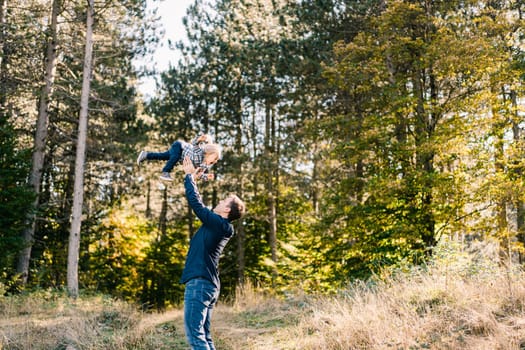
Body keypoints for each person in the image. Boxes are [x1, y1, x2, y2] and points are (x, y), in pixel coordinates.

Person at [180, 156, 246, 350]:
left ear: (227, 209)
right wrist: (195, 177)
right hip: (207, 285)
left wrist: (188, 177)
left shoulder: (220, 224)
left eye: (224, 200)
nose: (220, 200)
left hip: (200, 284)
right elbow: (200, 204)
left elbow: (197, 205)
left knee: (196, 336)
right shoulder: (219, 225)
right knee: (204, 336)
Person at [136, 134, 221, 182]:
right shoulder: (199, 151)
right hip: (179, 147)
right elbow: (194, 143)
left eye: (216, 160)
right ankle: (165, 172)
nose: (215, 161)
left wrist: (206, 176)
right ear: (208, 153)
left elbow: (198, 174)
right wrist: (199, 139)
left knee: (162, 156)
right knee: (174, 157)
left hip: (180, 156)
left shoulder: (204, 165)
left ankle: (145, 155)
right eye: (214, 158)